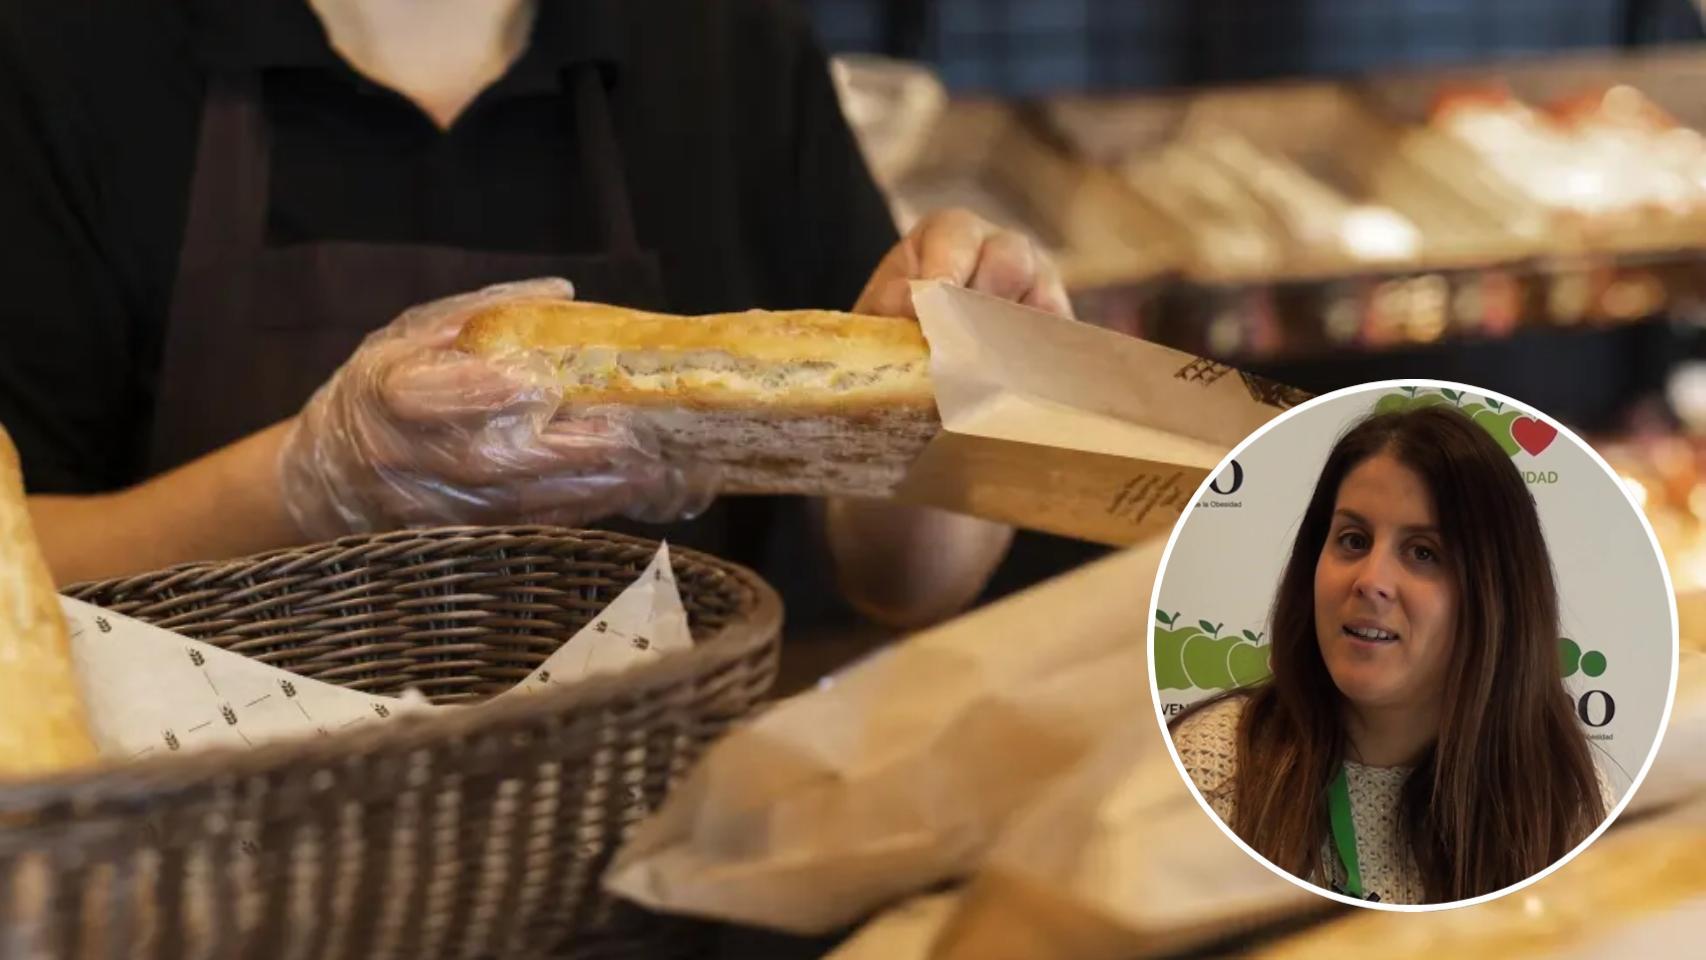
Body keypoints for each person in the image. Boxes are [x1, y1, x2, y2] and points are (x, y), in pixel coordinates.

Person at [0, 0, 1072, 629]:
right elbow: (19, 565)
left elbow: (895, 581)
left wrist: (960, 391)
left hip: (667, 851)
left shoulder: (719, 44)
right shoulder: (69, 55)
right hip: (205, 860)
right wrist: (313, 480)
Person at [1169, 405, 1611, 905]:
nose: (1371, 580)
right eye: (1353, 541)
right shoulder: (1213, 768)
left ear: (1495, 596)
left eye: (1423, 552)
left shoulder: (1566, 801)